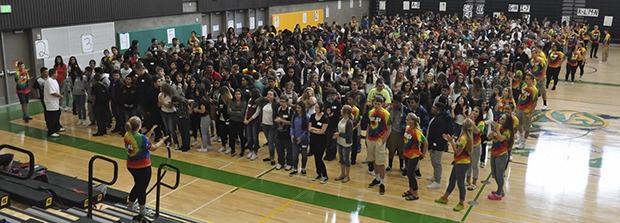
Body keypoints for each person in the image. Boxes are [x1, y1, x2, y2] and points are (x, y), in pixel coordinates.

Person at [124, 116, 168, 216]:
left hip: (131, 165)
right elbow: (153, 147)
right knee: (142, 188)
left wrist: (151, 131)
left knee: (137, 185)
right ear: (139, 126)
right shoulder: (141, 138)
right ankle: (142, 210)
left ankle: (130, 205)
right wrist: (162, 140)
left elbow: (142, 141)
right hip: (142, 168)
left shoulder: (127, 134)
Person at [434, 118, 474, 212]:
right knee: (452, 179)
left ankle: (461, 203)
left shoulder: (464, 138)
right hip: (460, 162)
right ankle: (445, 197)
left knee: (460, 184)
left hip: (462, 163)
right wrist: (451, 140)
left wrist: (451, 142)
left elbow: (457, 152)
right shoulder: (466, 136)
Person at [367, 96, 392, 195]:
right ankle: (376, 179)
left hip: (379, 141)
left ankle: (382, 183)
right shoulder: (370, 112)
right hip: (370, 140)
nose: (376, 105)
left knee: (380, 163)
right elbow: (369, 125)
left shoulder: (386, 114)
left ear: (382, 104)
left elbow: (389, 128)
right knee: (373, 161)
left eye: (379, 104)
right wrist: (367, 136)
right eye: (375, 103)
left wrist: (384, 140)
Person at [487, 113, 514, 200]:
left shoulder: (508, 131)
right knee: (494, 174)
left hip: (502, 154)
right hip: (494, 152)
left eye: (503, 119)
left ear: (507, 122)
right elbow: (489, 137)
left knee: (499, 174)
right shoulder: (498, 127)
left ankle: (499, 193)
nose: (500, 119)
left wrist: (497, 129)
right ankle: (500, 190)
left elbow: (501, 138)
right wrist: (492, 131)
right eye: (501, 118)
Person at [402, 113, 428, 201]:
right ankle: (411, 190)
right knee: (409, 174)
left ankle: (416, 193)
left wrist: (423, 154)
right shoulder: (407, 128)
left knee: (411, 173)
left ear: (412, 121)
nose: (406, 121)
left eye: (407, 119)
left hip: (414, 155)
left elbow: (425, 143)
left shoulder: (417, 132)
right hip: (406, 153)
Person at [426, 102, 452, 189]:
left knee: (437, 162)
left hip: (437, 145)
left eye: (434, 108)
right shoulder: (436, 117)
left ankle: (437, 181)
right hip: (434, 144)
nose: (432, 109)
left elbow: (438, 134)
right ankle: (435, 176)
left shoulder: (440, 120)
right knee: (434, 161)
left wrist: (434, 145)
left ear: (438, 110)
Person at [305, 102, 329, 183]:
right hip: (313, 140)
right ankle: (318, 173)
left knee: (319, 158)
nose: (316, 109)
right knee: (315, 157)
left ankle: (325, 175)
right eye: (315, 107)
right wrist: (316, 129)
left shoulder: (325, 118)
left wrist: (314, 129)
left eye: (317, 107)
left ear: (321, 108)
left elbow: (322, 131)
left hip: (321, 141)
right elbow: (309, 128)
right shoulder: (312, 116)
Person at [515, 74, 538, 148]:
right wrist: (517, 106)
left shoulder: (534, 90)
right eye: (526, 79)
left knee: (527, 128)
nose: (526, 80)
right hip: (520, 108)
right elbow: (521, 97)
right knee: (518, 124)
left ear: (532, 80)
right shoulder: (524, 86)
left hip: (527, 111)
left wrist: (530, 113)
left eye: (527, 79)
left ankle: (523, 142)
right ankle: (521, 137)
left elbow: (535, 102)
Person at [466, 107, 485, 191]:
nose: (474, 113)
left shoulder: (481, 123)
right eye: (473, 111)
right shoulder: (469, 120)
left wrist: (472, 121)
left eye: (476, 111)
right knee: (468, 164)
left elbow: (477, 131)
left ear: (479, 113)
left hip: (476, 146)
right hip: (468, 145)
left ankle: (474, 183)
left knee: (474, 165)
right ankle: (467, 180)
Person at [334, 105, 354, 183]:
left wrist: (339, 134)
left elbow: (349, 135)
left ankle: (347, 175)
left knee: (346, 160)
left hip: (346, 144)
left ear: (345, 112)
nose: (340, 110)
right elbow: (337, 128)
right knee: (341, 159)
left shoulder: (349, 122)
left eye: (342, 109)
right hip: (339, 142)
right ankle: (342, 174)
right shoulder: (340, 119)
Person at [290, 102, 310, 175]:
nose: (297, 109)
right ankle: (295, 168)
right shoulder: (294, 116)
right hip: (295, 139)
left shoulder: (307, 117)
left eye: (299, 108)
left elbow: (308, 130)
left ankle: (303, 168)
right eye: (296, 108)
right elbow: (292, 126)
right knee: (294, 155)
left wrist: (301, 138)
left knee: (304, 155)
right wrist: (292, 134)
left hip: (304, 140)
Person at [43, 69, 63, 138]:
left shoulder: (54, 81)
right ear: (53, 74)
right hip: (50, 102)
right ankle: (51, 132)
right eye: (56, 73)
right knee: (52, 117)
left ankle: (57, 128)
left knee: (57, 114)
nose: (57, 74)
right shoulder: (49, 81)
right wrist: (60, 96)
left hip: (55, 102)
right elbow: (52, 92)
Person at [275, 95, 293, 170]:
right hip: (279, 132)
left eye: (283, 102)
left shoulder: (290, 111)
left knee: (289, 150)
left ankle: (289, 163)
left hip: (287, 134)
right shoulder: (279, 109)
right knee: (279, 149)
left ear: (287, 102)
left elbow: (291, 122)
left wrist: (282, 121)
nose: (281, 103)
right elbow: (276, 117)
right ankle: (281, 162)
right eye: (280, 101)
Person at [228, 89, 247, 156]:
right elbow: (229, 111)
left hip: (240, 122)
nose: (237, 95)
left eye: (239, 94)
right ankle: (232, 150)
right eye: (236, 94)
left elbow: (242, 113)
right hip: (232, 121)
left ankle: (242, 150)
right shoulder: (231, 102)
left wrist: (233, 111)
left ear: (241, 95)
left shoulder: (244, 103)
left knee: (241, 136)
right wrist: (237, 112)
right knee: (232, 136)